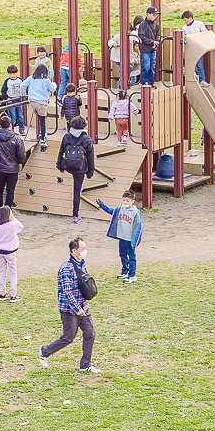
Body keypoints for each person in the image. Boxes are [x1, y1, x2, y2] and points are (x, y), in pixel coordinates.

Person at [40, 237, 99, 373]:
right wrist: (76, 308)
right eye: (82, 249)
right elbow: (67, 292)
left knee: (90, 334)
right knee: (68, 337)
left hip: (83, 306)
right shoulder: (66, 268)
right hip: (69, 310)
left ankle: (85, 365)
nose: (85, 251)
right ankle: (45, 351)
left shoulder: (81, 264)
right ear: (74, 251)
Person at [97, 191, 142, 283]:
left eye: (127, 200)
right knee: (122, 255)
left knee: (131, 256)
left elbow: (138, 228)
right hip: (122, 236)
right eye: (124, 200)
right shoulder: (119, 209)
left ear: (133, 201)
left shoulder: (135, 213)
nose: (125, 202)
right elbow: (110, 211)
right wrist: (101, 205)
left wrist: (135, 241)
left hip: (129, 239)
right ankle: (124, 271)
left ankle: (132, 275)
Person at [57, 116, 95, 223]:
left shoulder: (67, 137)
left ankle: (75, 215)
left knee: (76, 185)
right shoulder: (87, 139)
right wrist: (90, 172)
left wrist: (60, 166)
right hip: (80, 168)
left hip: (68, 165)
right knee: (76, 190)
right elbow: (90, 157)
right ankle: (75, 215)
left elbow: (61, 151)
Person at [0, 114, 25, 211]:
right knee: (10, 190)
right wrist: (19, 162)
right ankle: (8, 209)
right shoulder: (16, 138)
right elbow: (21, 155)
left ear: (0, 125)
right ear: (10, 125)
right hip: (12, 169)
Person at [0, 206, 23, 302]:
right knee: (13, 273)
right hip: (10, 252)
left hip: (0, 251)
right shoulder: (12, 225)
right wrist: (12, 218)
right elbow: (20, 226)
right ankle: (13, 295)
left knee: (2, 272)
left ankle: (2, 293)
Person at [21, 63, 56, 149]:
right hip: (42, 102)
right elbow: (52, 89)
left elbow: (22, 85)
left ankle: (40, 132)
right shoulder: (46, 80)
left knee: (39, 116)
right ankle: (43, 139)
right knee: (43, 121)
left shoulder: (31, 78)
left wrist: (24, 96)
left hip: (33, 101)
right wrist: (54, 84)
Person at [180, 11, 209, 85]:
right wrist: (183, 51)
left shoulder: (199, 24)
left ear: (190, 18)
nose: (185, 22)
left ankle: (202, 80)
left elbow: (205, 34)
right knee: (190, 65)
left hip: (198, 48)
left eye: (185, 20)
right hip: (190, 49)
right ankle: (192, 80)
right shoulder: (184, 28)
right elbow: (184, 40)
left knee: (199, 65)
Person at [138, 7, 161, 87]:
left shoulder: (156, 24)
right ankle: (144, 82)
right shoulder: (143, 25)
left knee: (152, 67)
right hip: (145, 49)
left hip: (152, 49)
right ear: (148, 14)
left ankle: (151, 82)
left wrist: (156, 42)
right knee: (146, 67)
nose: (155, 16)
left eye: (156, 15)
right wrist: (152, 42)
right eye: (153, 14)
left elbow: (158, 34)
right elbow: (141, 37)